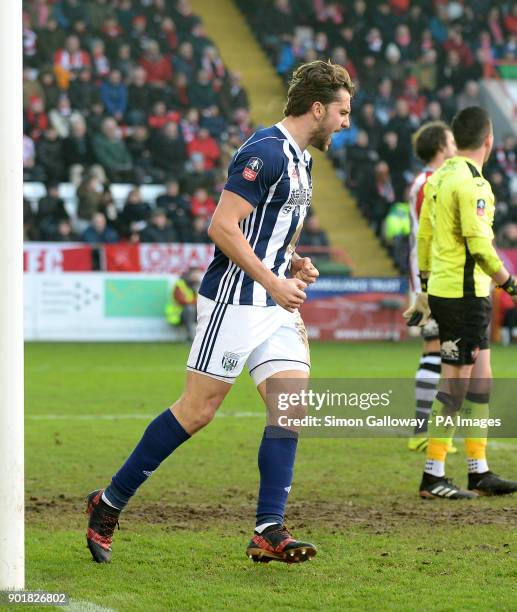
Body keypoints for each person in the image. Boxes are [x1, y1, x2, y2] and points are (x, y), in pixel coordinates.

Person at [85, 59, 353, 564]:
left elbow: (269, 228)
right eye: (342, 112)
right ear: (317, 109)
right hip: (236, 298)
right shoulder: (264, 151)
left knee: (290, 406)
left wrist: (293, 261)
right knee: (197, 411)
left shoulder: (303, 160)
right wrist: (274, 279)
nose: (346, 123)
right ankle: (109, 501)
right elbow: (222, 226)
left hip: (273, 301)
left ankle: (268, 529)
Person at [411, 106, 517, 499]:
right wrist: (510, 284)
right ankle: (433, 474)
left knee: (481, 381)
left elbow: (424, 236)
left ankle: (479, 469)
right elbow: (479, 245)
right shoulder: (474, 184)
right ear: (488, 140)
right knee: (456, 387)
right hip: (463, 295)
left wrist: (423, 284)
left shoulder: (438, 177)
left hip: (452, 289)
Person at [404, 121, 457, 452]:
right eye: (451, 141)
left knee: (439, 349)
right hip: (432, 278)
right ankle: (421, 430)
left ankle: (426, 429)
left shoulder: (428, 182)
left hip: (432, 275)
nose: (455, 146)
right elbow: (430, 235)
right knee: (438, 349)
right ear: (441, 146)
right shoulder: (429, 183)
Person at [165, 268, 202, 341]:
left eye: (198, 275)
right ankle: (190, 336)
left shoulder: (199, 285)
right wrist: (196, 301)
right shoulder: (180, 284)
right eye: (195, 274)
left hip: (194, 311)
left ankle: (205, 338)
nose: (197, 277)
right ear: (189, 275)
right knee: (189, 309)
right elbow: (182, 301)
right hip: (178, 314)